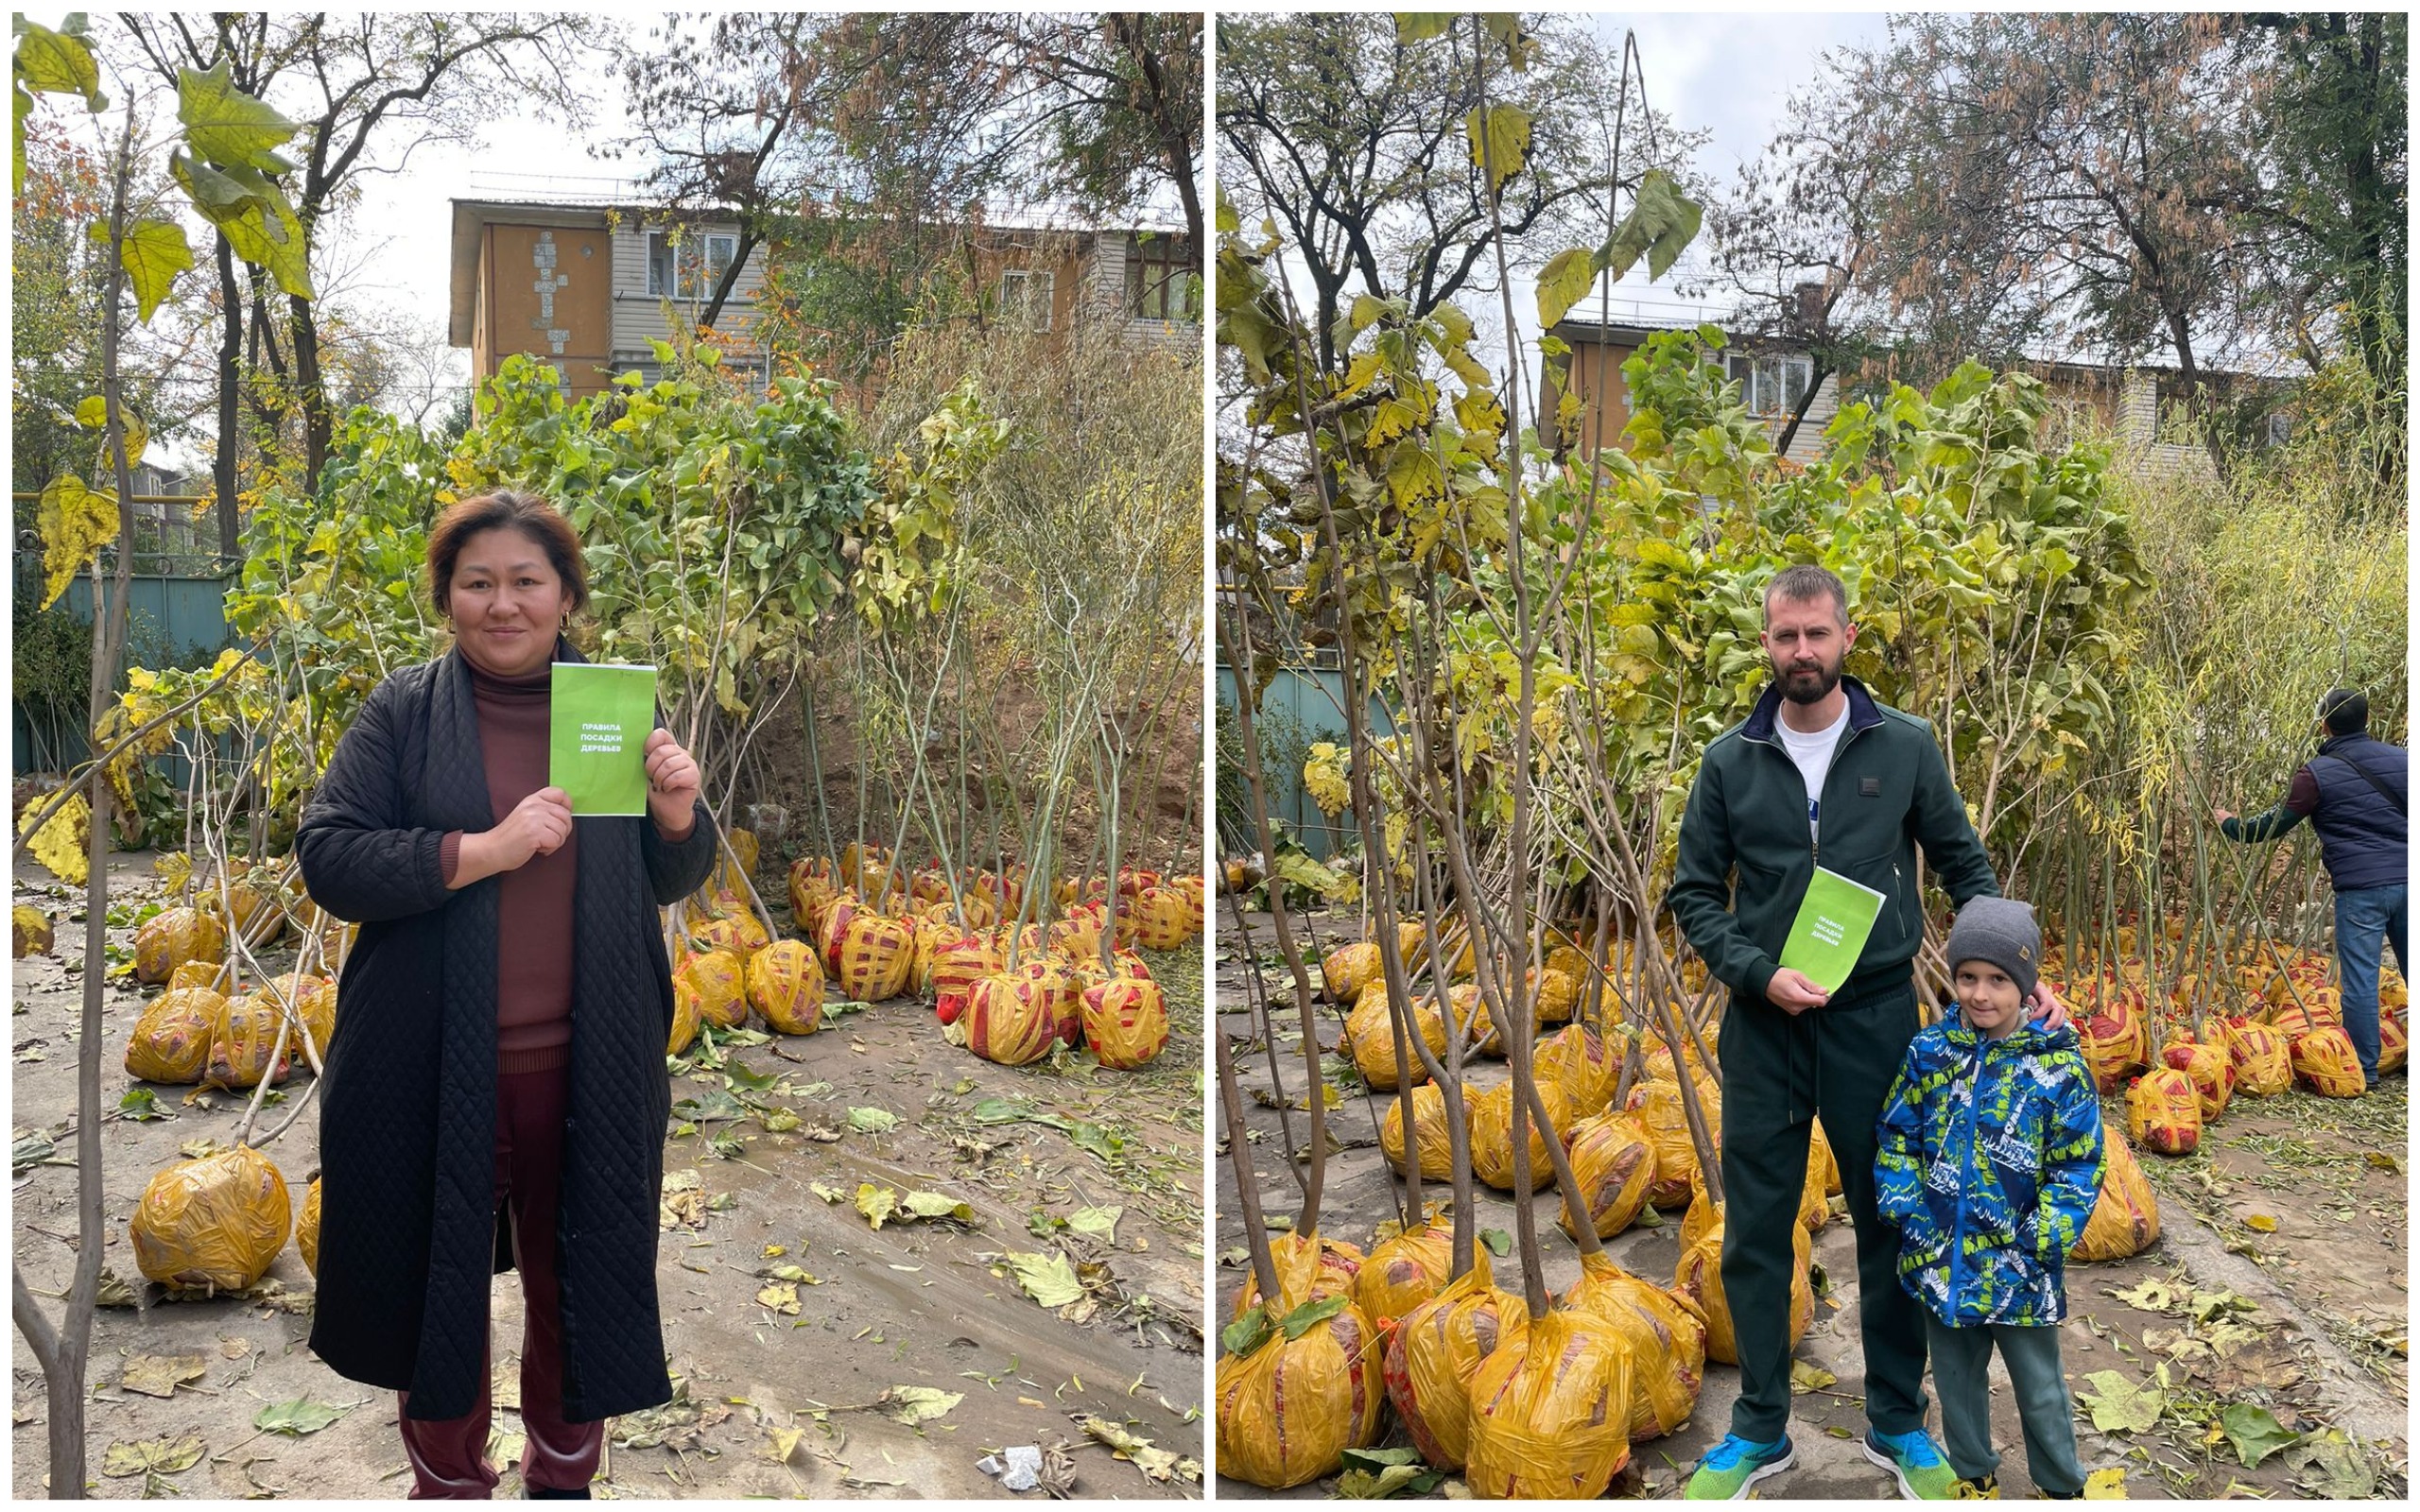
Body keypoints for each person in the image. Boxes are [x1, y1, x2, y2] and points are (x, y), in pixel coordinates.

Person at [298, 490, 718, 1499]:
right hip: (429, 1063)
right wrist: (482, 850)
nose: (502, 603)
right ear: (446, 597)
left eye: (527, 580)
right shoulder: (404, 711)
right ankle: (449, 1483)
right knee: (434, 1291)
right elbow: (330, 855)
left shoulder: (612, 708)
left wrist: (677, 816)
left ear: (566, 595)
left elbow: (665, 876)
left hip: (589, 1063)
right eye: (476, 581)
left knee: (581, 1285)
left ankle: (560, 1480)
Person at [1669, 564, 2063, 1502]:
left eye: (1816, 633)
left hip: (1878, 1023)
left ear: (1847, 636)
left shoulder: (1906, 747)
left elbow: (1964, 865)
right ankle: (1758, 1427)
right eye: (1784, 636)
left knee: (1891, 1220)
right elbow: (1694, 895)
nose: (1800, 651)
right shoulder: (1729, 761)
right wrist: (1758, 972)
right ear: (1764, 644)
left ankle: (1895, 1419)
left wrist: (2018, 972)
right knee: (1756, 1230)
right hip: (1765, 1027)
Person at [1876, 897, 2103, 1500]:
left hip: (2020, 1267)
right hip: (1941, 1259)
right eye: (1968, 977)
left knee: (2041, 1387)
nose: (1980, 994)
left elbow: (2079, 1163)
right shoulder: (1930, 1052)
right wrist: (1906, 1208)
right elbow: (1898, 1133)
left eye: (1999, 980)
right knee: (1956, 1382)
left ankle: (2061, 1485)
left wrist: (2043, 1238)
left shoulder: (2058, 1068)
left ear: (2026, 986)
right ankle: (1973, 1476)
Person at [2214, 688, 2408, 1090]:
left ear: (2324, 724)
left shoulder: (2316, 774)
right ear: (2367, 720)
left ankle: (2364, 1070)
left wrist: (2229, 823)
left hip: (2362, 889)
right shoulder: (2404, 760)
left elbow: (2270, 825)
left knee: (2361, 980)